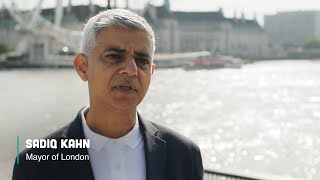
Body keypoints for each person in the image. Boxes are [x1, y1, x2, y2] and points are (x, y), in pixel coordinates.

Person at [12, 9, 203, 180]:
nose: (131, 70)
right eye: (114, 56)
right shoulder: (34, 165)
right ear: (82, 67)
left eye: (142, 60)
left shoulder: (184, 156)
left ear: (151, 71)